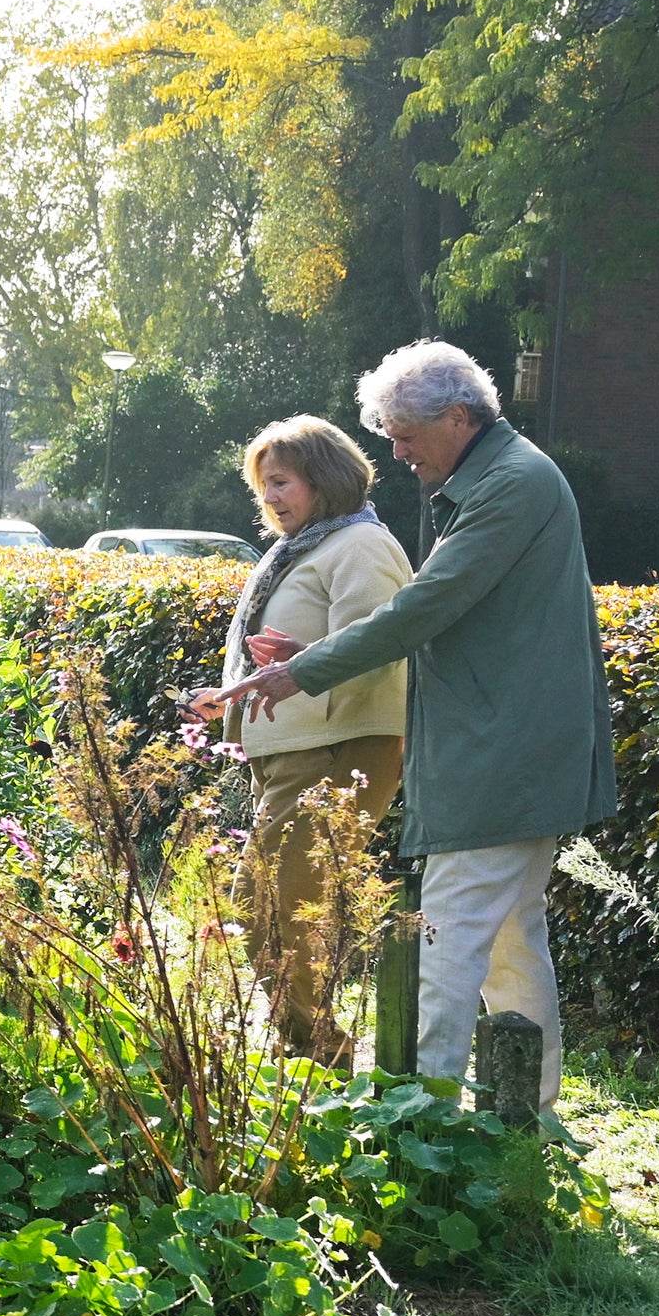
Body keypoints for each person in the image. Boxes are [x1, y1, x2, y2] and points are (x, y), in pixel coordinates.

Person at [224, 340, 614, 1107]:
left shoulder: (510, 482)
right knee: (509, 943)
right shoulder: (498, 477)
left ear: (459, 416)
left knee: (447, 938)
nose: (395, 452)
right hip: (507, 745)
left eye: (404, 432)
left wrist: (299, 669)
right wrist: (311, 652)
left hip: (500, 753)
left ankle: (421, 1119)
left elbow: (423, 607)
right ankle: (521, 1116)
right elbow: (449, 619)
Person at [181, 415, 410, 1065]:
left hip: (337, 754)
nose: (271, 499)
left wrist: (296, 659)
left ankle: (325, 1063)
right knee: (269, 911)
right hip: (296, 756)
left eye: (280, 481)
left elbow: (376, 648)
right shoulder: (310, 547)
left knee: (272, 914)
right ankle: (314, 1059)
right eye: (263, 488)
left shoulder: (360, 547)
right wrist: (228, 694)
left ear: (323, 477)